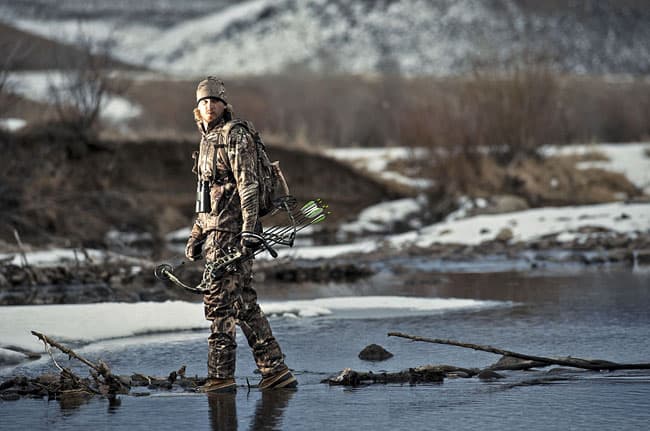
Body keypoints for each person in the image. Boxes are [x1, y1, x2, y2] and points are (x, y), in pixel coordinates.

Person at [185, 77, 297, 392]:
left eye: (214, 101)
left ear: (224, 104)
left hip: (233, 233)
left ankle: (220, 379)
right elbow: (205, 197)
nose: (209, 107)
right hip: (213, 232)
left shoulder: (236, 136)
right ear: (197, 107)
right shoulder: (206, 140)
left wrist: (249, 228)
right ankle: (275, 370)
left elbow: (248, 183)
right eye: (203, 102)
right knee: (242, 303)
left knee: (219, 301)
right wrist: (196, 234)